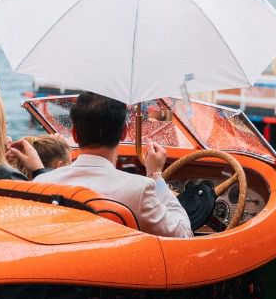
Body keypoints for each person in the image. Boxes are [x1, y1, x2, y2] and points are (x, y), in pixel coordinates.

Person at [18, 92, 192, 238]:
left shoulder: (41, 182)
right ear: (124, 133)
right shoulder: (139, 190)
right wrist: (156, 175)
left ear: (75, 135)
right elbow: (183, 235)